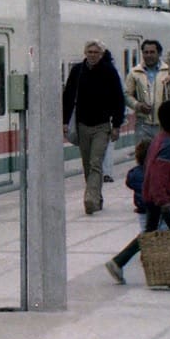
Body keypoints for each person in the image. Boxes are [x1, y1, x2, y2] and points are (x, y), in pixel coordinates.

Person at [104, 101, 170, 284]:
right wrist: (164, 201)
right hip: (163, 200)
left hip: (152, 197)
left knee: (148, 234)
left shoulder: (159, 139)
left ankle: (118, 262)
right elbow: (158, 175)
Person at [62, 40, 126, 215]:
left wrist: (117, 125)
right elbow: (68, 96)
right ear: (85, 53)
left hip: (102, 125)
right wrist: (65, 121)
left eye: (96, 52)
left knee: (95, 162)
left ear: (101, 54)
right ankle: (97, 196)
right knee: (87, 164)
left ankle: (90, 198)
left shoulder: (109, 71)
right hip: (82, 124)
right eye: (89, 52)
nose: (92, 55)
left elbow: (118, 99)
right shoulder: (77, 71)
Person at [125, 39, 170, 143]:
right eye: (146, 52)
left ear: (159, 53)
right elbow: (126, 95)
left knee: (164, 152)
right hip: (143, 125)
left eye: (152, 52)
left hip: (165, 125)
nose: (148, 55)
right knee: (144, 153)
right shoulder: (134, 72)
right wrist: (137, 105)